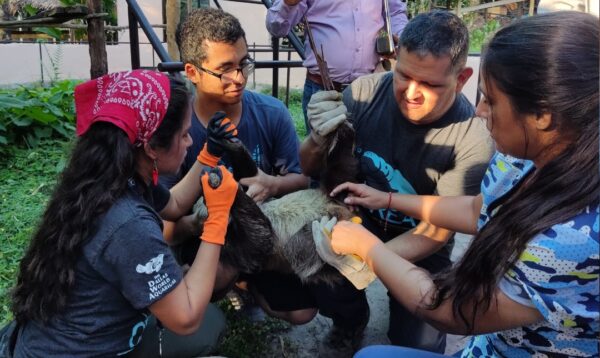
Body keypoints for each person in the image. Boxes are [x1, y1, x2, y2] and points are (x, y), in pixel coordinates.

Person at [326, 11, 599, 357]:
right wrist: (390, 200)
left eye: (492, 100)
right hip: (490, 343)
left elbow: (454, 311)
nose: (480, 111)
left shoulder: (574, 237)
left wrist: (368, 250)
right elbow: (478, 208)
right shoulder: (523, 156)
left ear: (543, 116)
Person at [301, 10, 495, 353]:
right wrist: (317, 138)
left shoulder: (472, 138)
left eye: (431, 84)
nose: (411, 93)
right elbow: (307, 168)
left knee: (419, 345)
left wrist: (371, 259)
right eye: (403, 75)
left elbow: (438, 231)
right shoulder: (363, 93)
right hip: (357, 218)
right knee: (317, 261)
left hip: (422, 242)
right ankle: (351, 321)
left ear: (462, 78)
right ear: (394, 59)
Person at [10, 69, 240, 357]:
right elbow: (186, 318)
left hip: (59, 342)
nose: (189, 142)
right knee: (205, 327)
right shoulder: (128, 224)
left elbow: (176, 204)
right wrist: (217, 219)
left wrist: (210, 153)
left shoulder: (110, 178)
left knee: (211, 320)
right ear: (151, 148)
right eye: (184, 134)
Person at [161, 8, 313, 325]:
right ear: (192, 72)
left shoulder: (272, 112)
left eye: (244, 63)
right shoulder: (173, 132)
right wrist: (200, 222)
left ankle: (249, 284)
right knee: (214, 279)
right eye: (225, 69)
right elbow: (160, 227)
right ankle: (226, 282)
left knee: (302, 312)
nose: (240, 78)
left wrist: (273, 184)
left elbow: (301, 179)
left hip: (264, 233)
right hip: (210, 243)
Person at [265, 0, 409, 133]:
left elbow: (395, 12)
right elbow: (276, 28)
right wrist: (288, 4)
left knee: (369, 155)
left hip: (371, 90)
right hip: (322, 90)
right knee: (321, 156)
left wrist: (404, 41)